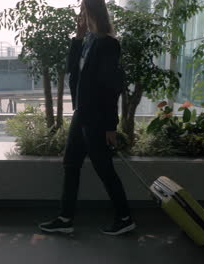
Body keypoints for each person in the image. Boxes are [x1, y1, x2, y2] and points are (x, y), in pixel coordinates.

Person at [38, 0, 136, 236]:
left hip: (97, 119)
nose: (80, 14)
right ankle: (65, 218)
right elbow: (73, 72)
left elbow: (111, 88)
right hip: (82, 114)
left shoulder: (109, 44)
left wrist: (111, 126)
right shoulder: (89, 40)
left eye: (83, 10)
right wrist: (78, 38)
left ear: (93, 11)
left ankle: (124, 217)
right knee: (71, 164)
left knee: (104, 168)